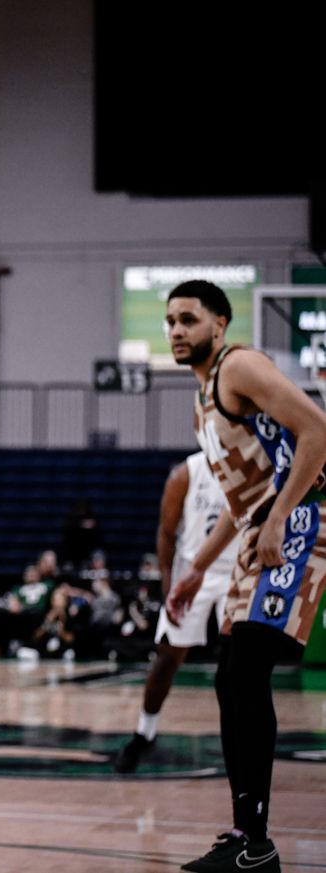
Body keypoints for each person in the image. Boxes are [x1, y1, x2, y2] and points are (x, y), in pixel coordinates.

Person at [164, 279, 326, 872]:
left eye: (189, 319)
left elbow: (319, 433)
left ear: (220, 324)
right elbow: (241, 506)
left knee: (247, 667)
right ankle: (246, 838)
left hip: (302, 519)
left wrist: (281, 517)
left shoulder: (240, 367)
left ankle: (255, 847)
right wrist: (193, 571)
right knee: (231, 679)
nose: (178, 330)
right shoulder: (203, 399)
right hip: (263, 528)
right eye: (171, 321)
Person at [116, 452, 238, 773]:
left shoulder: (251, 464)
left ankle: (239, 741)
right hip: (192, 572)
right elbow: (167, 532)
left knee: (239, 667)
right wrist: (169, 585)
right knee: (168, 658)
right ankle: (145, 731)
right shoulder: (187, 473)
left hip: (236, 573)